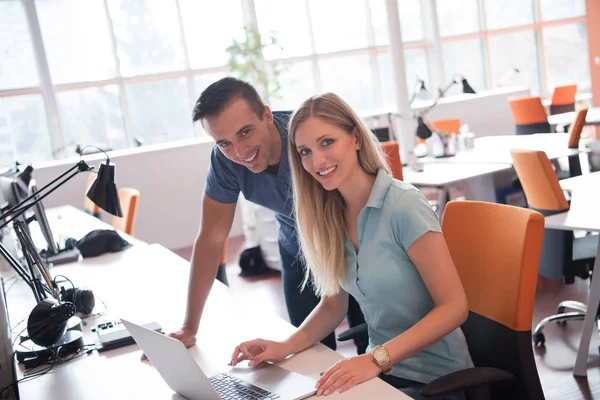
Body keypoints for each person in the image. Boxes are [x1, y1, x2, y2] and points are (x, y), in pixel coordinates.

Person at [230, 93, 473, 399]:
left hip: (437, 381)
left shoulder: (403, 205)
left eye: (327, 142)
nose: (317, 161)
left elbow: (454, 308)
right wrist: (283, 347)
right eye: (305, 151)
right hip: (381, 376)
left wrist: (375, 359)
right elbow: (334, 305)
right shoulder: (331, 215)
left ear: (356, 138)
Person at [161, 78, 367, 356]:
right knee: (312, 354)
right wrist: (189, 327)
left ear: (267, 115)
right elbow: (211, 238)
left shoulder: (305, 138)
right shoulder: (225, 161)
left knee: (371, 346)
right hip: (299, 251)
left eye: (245, 133)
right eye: (224, 143)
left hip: (356, 246)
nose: (240, 152)